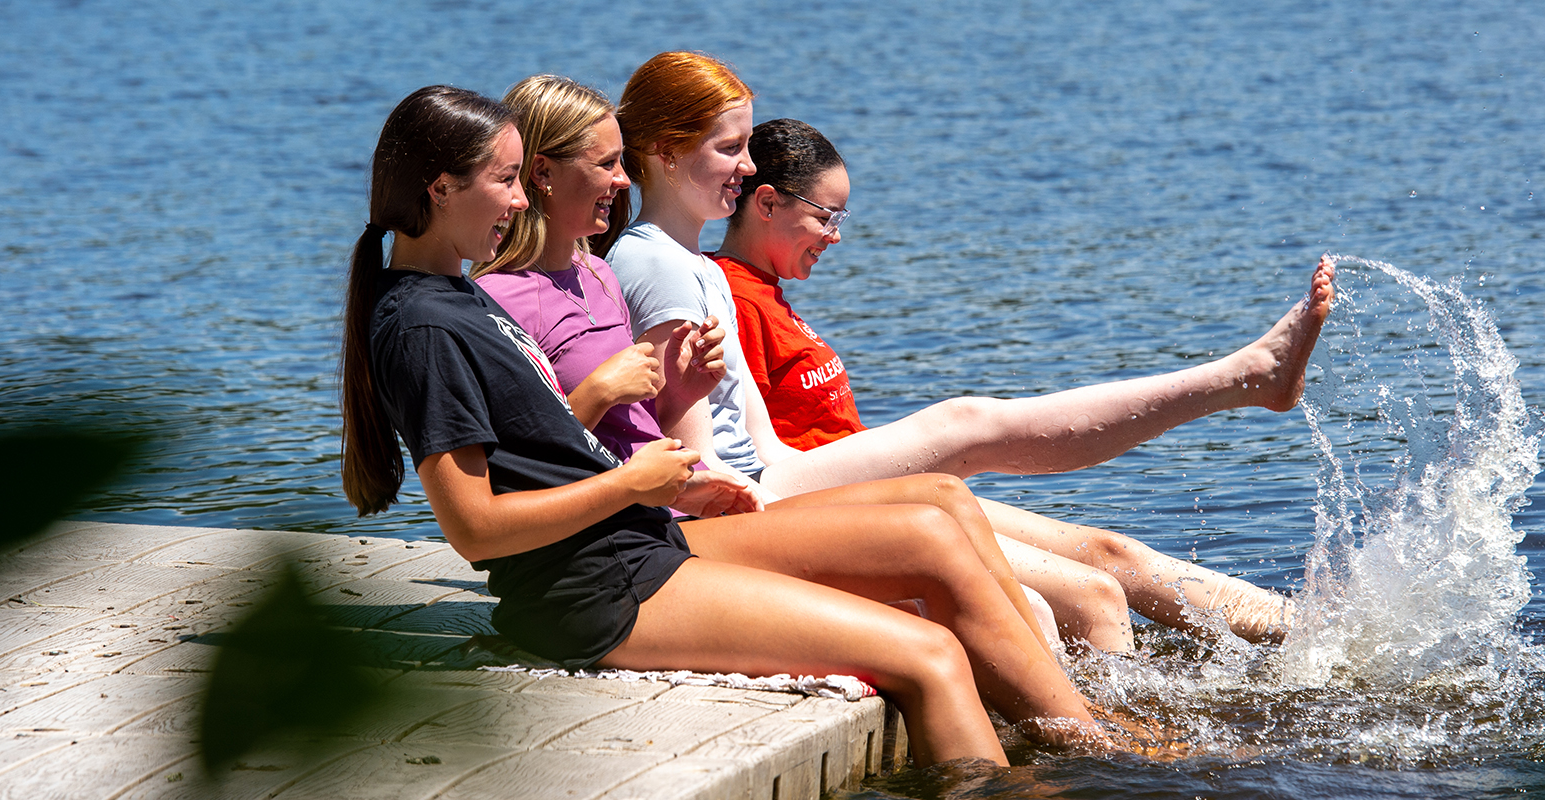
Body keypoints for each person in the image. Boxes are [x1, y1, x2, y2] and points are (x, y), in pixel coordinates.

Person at [339, 84, 1115, 767]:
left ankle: (1092, 747)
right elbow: (473, 530)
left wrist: (671, 479)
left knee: (930, 526)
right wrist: (631, 482)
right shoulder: (424, 326)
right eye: (506, 179)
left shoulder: (459, 300)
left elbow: (544, 449)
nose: (519, 199)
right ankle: (1081, 767)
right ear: (441, 188)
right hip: (592, 592)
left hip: (641, 541)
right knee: (929, 655)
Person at [598, 52, 1335, 644]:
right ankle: (1244, 379)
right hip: (760, 504)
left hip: (788, 477)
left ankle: (1316, 638)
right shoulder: (666, 266)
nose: (747, 164)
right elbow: (703, 467)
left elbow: (760, 440)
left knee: (1085, 538)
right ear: (666, 152)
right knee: (971, 433)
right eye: (731, 149)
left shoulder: (694, 266)